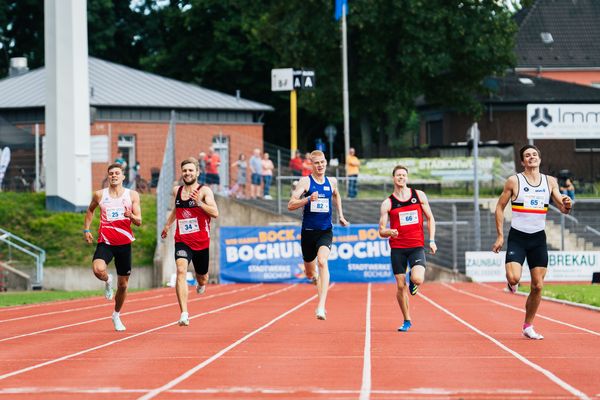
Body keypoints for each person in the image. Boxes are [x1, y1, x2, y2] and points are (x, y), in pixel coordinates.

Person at [492, 145, 573, 340]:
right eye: (527, 155)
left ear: (539, 159)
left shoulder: (550, 181)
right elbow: (500, 208)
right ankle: (511, 283)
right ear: (522, 161)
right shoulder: (514, 181)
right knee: (514, 278)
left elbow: (562, 208)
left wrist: (567, 204)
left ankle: (528, 325)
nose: (531, 157)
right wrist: (500, 236)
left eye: (534, 155)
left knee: (537, 286)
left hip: (538, 239)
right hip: (518, 237)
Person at [288, 150, 349, 320]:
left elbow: (336, 195)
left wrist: (341, 216)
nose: (320, 165)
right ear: (311, 164)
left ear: (326, 163)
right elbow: (291, 204)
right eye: (316, 163)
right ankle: (313, 278)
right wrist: (307, 199)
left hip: (325, 231)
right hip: (308, 233)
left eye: (322, 162)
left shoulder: (332, 181)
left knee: (322, 261)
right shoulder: (305, 182)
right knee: (310, 273)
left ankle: (321, 307)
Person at [83, 163, 142, 332]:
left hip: (124, 244)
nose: (114, 176)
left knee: (123, 285)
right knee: (97, 269)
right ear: (108, 177)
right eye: (111, 174)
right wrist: (87, 229)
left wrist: (131, 215)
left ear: (123, 177)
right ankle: (108, 281)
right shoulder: (100, 195)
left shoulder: (132, 195)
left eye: (117, 173)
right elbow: (90, 210)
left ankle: (116, 315)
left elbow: (139, 221)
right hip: (106, 242)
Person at [378, 165, 436, 332]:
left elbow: (430, 218)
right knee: (400, 286)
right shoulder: (387, 203)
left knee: (417, 279)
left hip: (416, 245)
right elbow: (381, 230)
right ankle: (407, 320)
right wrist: (389, 231)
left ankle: (413, 280)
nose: (401, 177)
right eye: (398, 175)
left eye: (404, 175)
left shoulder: (418, 195)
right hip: (398, 248)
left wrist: (432, 240)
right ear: (393, 178)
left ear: (407, 178)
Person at [161, 157, 219, 326]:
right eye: (185, 170)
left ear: (197, 172)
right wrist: (167, 225)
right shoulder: (176, 191)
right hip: (182, 240)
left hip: (201, 242)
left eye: (191, 170)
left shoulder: (204, 191)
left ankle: (201, 284)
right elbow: (177, 210)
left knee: (202, 278)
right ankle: (184, 313)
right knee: (181, 271)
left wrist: (199, 203)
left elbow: (215, 213)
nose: (187, 173)